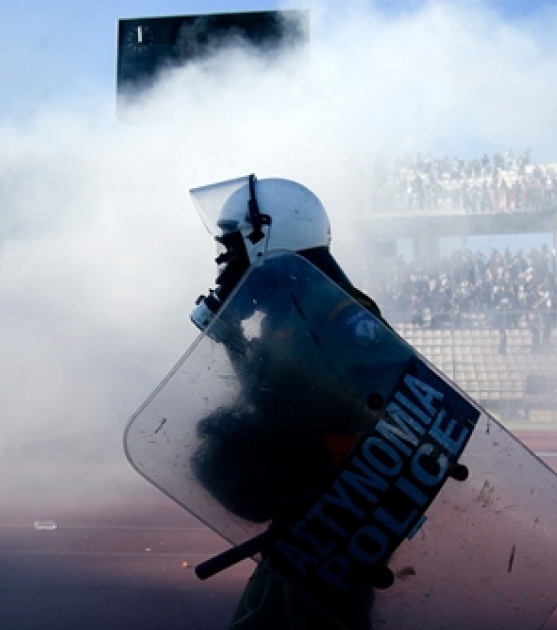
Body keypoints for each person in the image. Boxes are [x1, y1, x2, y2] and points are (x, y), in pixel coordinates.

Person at [187, 175, 383, 630]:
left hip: (339, 517)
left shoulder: (339, 314)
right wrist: (235, 344)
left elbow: (362, 409)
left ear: (268, 241)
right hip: (306, 515)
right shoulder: (289, 315)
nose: (224, 261)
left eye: (232, 247)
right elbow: (274, 397)